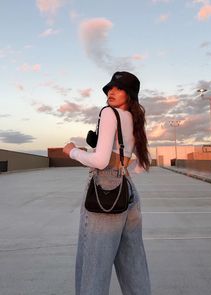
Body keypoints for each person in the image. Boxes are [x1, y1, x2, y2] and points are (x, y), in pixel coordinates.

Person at [63, 71, 152, 295]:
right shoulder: (134, 119)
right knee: (133, 265)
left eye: (119, 88)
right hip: (128, 189)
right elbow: (139, 166)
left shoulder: (109, 113)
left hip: (106, 189)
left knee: (94, 267)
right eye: (110, 88)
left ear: (129, 94)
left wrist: (72, 151)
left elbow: (101, 160)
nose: (112, 91)